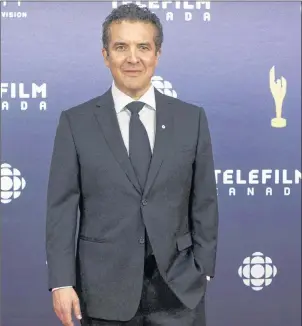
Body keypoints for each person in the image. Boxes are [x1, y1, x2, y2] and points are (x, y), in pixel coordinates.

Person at [45, 3, 219, 326]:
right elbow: (61, 210)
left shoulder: (191, 119)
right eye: (121, 47)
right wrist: (61, 280)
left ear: (157, 54)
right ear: (105, 55)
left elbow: (205, 201)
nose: (132, 58)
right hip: (102, 293)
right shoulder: (75, 123)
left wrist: (203, 269)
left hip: (178, 292)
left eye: (143, 47)